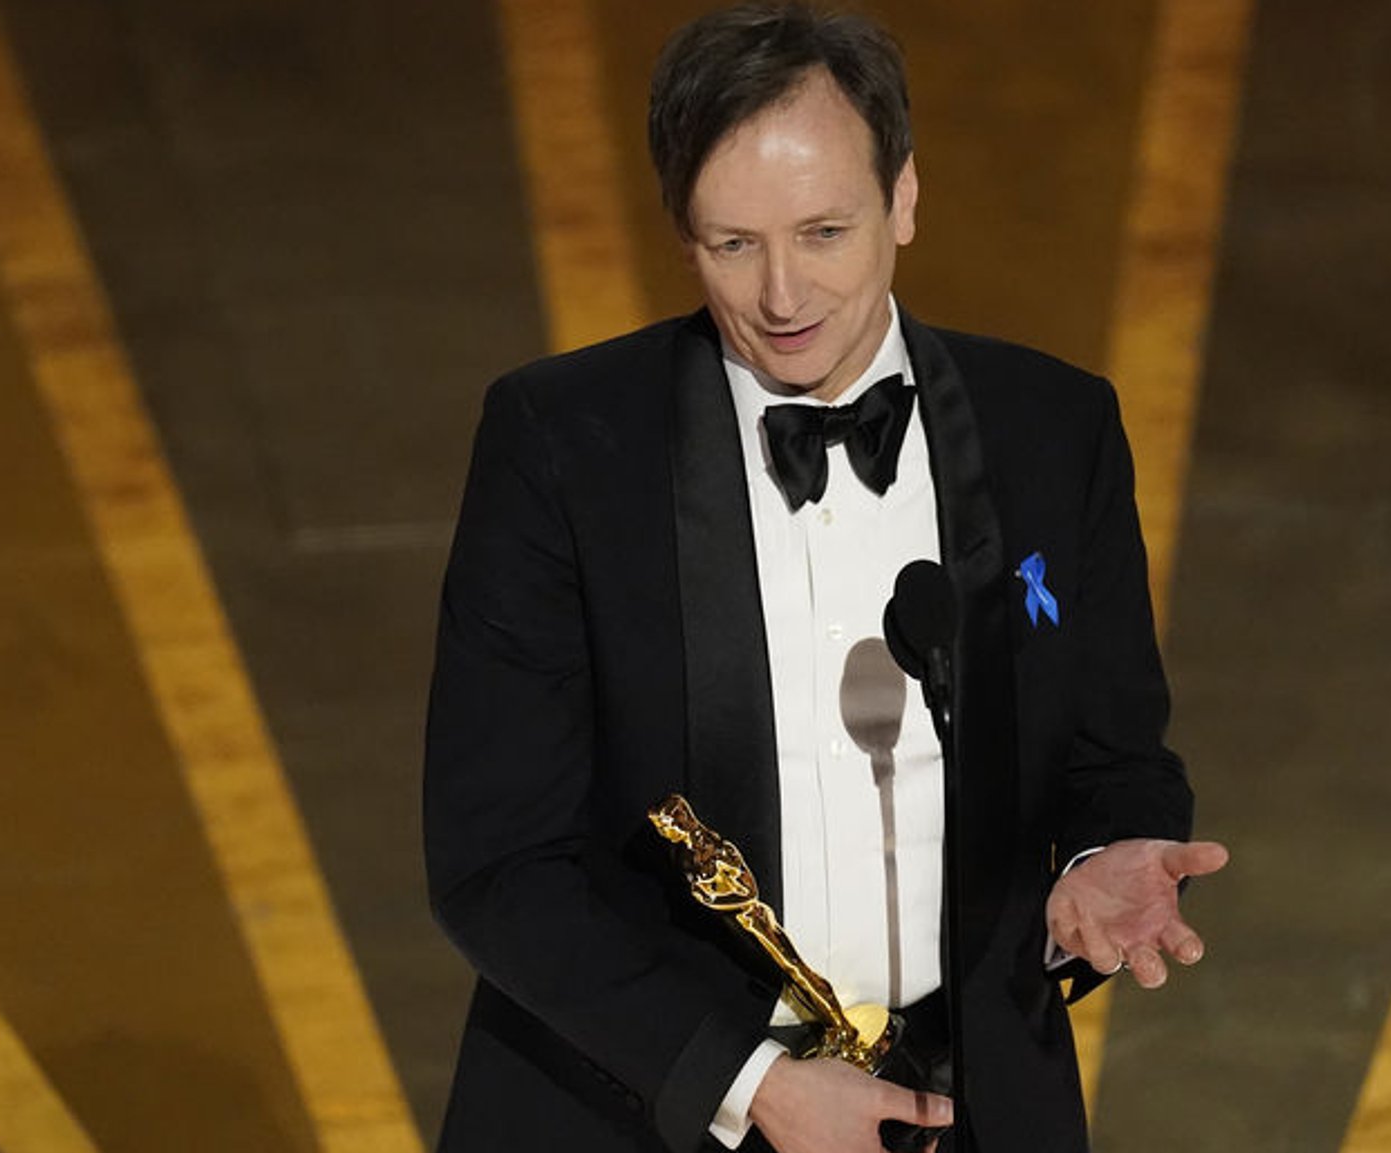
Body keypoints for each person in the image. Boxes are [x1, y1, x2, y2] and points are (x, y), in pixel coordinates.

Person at [423, 4, 1229, 1151]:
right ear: (682, 231)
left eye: (822, 232)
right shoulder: (561, 446)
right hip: (643, 1110)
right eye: (732, 244)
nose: (781, 297)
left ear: (903, 197)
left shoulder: (1052, 429)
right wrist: (752, 1084)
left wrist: (1104, 864)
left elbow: (1112, 755)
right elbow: (496, 861)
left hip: (966, 1111)